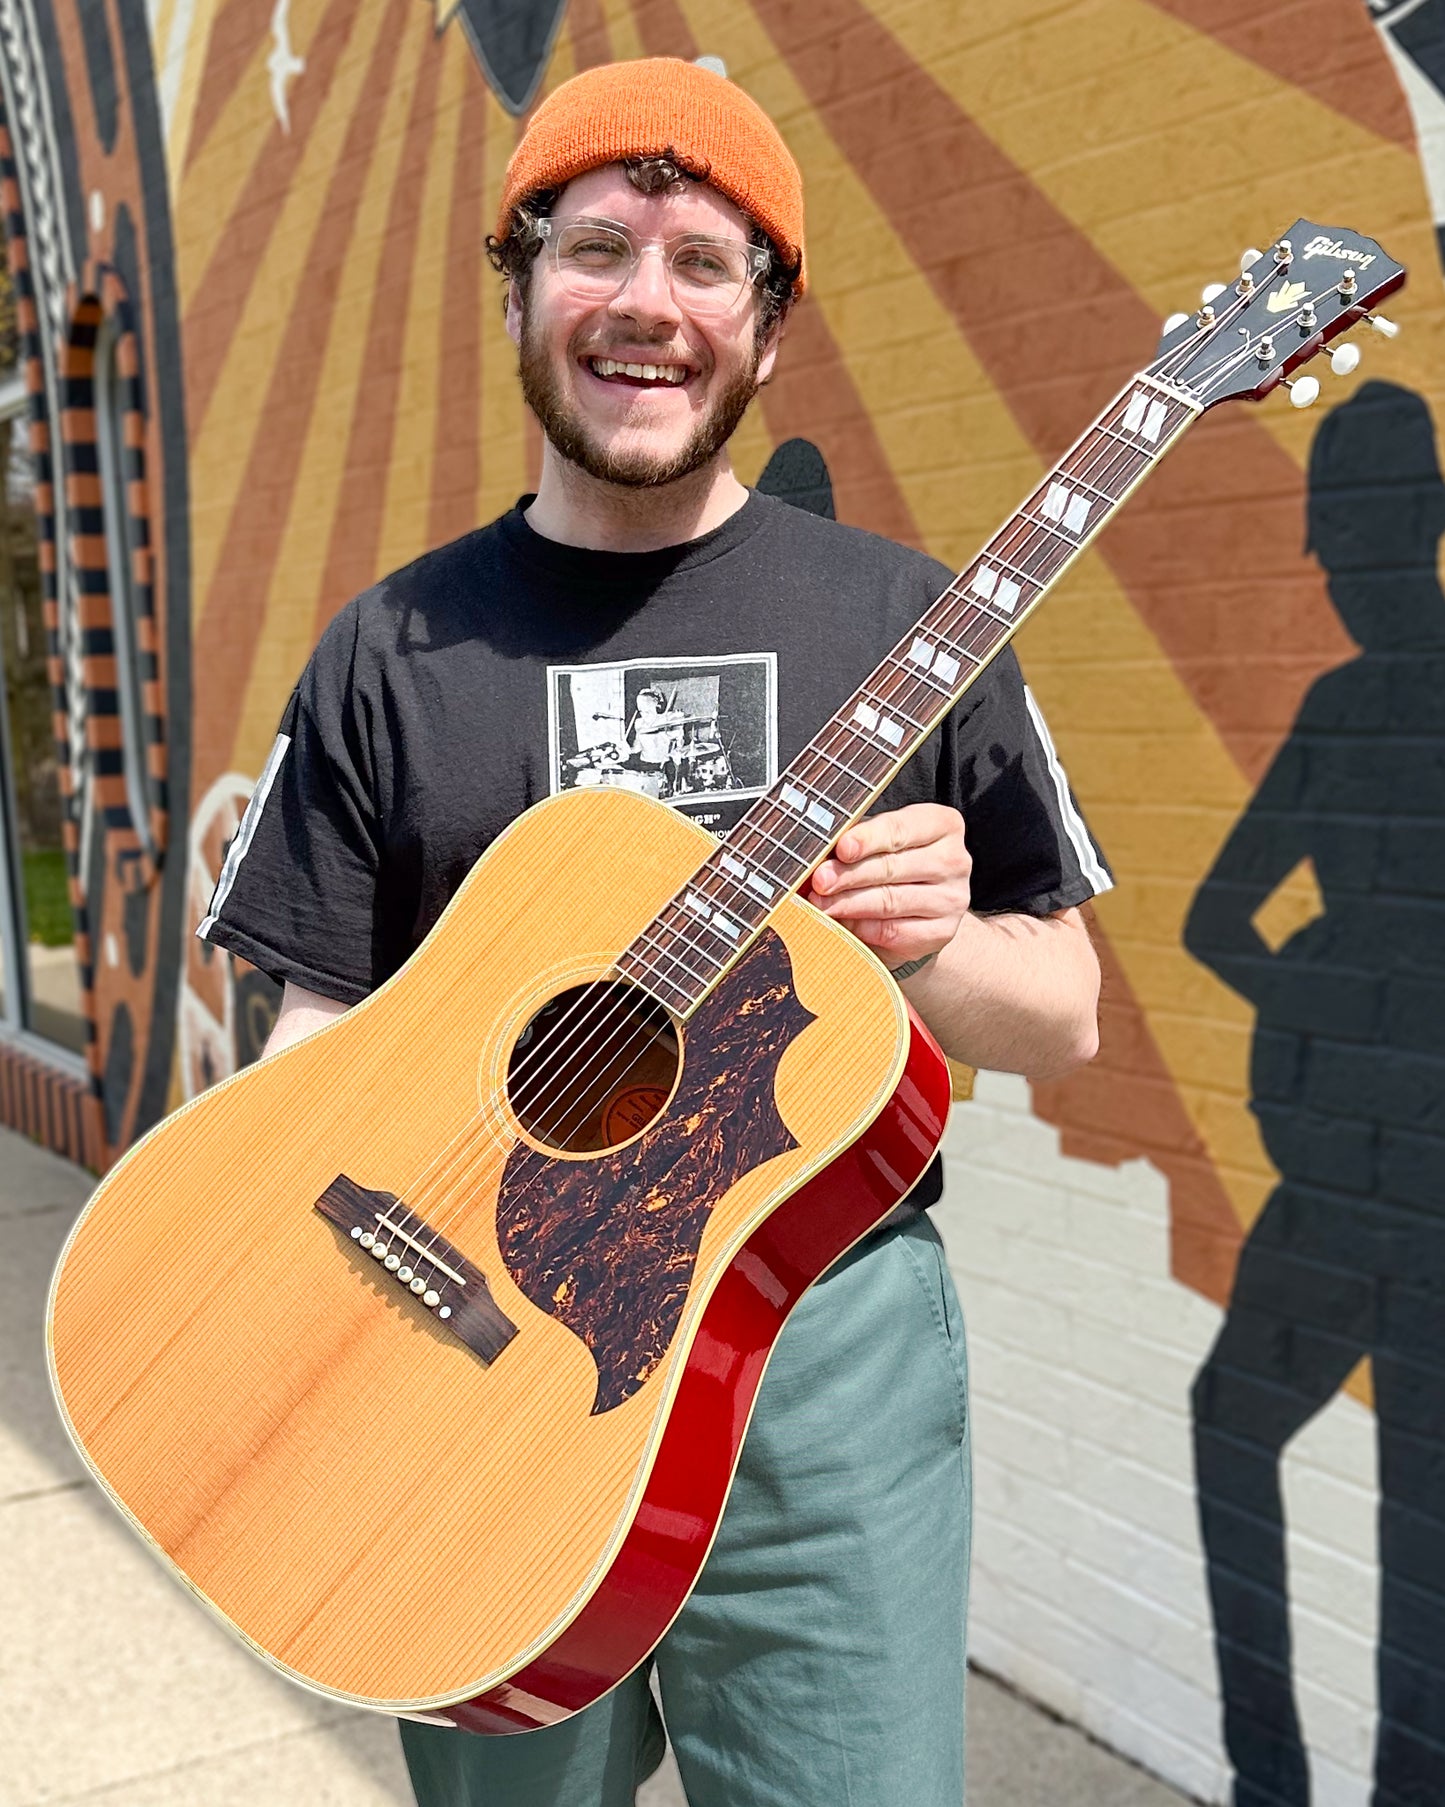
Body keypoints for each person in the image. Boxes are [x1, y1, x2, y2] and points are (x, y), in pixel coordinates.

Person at [196, 56, 1109, 1807]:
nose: (647, 303)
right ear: (521, 285)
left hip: (817, 1370)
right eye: (598, 246)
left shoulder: (910, 623)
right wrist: (312, 1377)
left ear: (768, 332)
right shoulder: (389, 653)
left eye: (708, 264)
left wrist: (934, 947)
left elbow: (1059, 1013)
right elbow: (307, 1058)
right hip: (472, 1362)